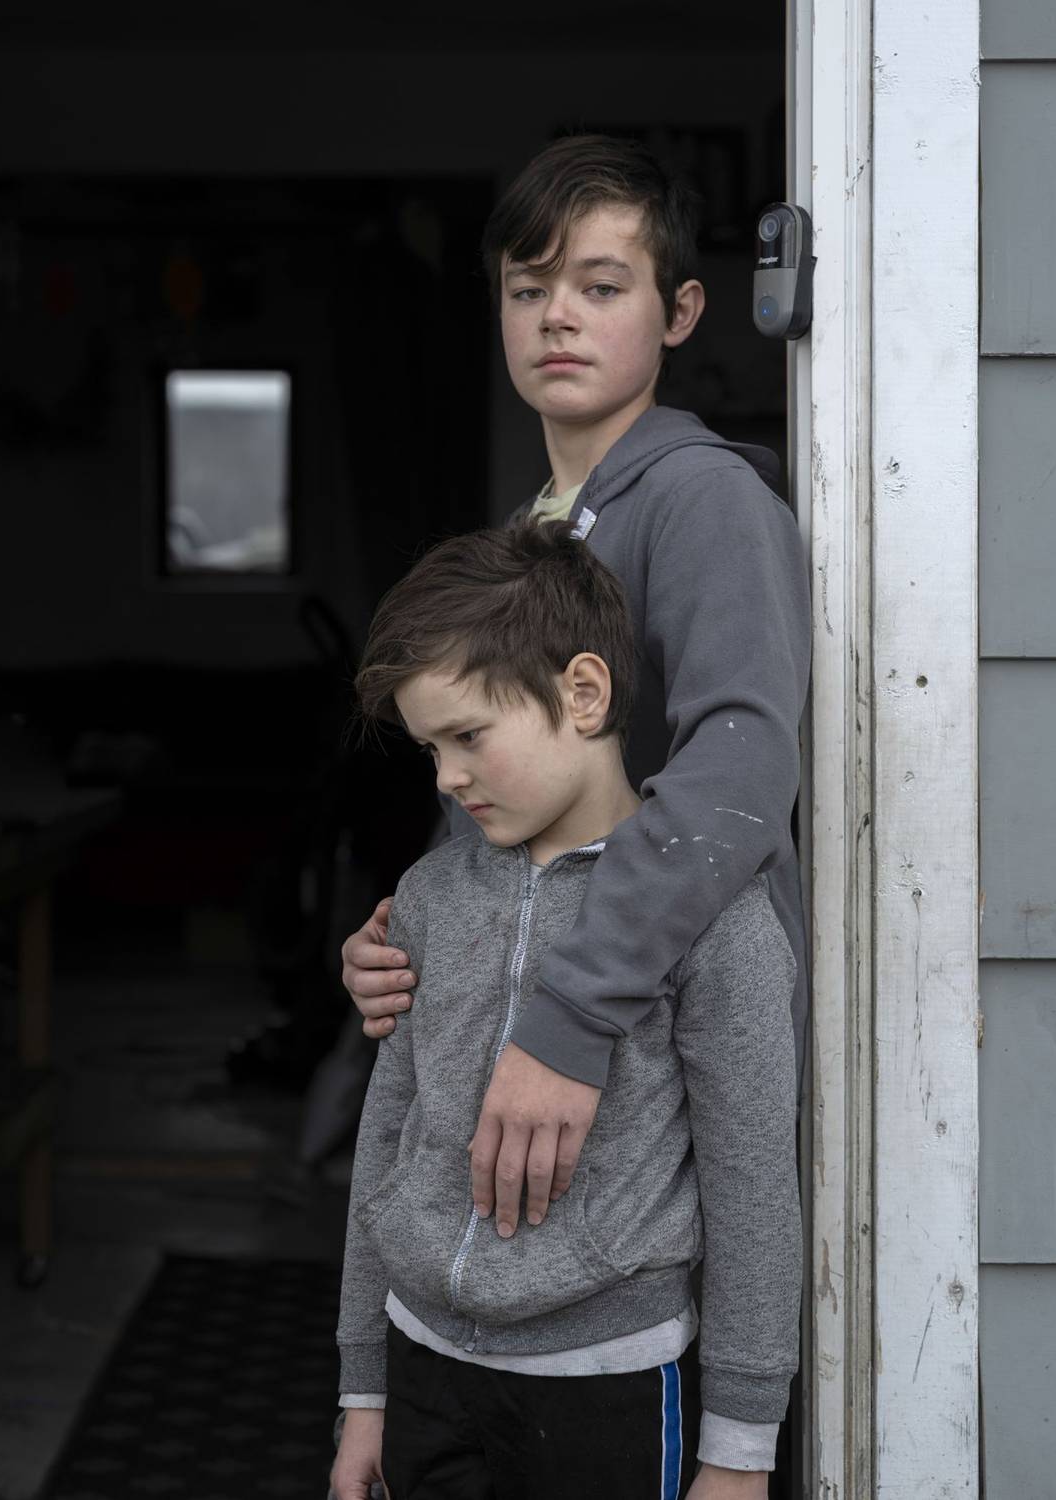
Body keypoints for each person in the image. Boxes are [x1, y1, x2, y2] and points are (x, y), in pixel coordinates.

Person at [341, 133, 810, 1243]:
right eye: (529, 288)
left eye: (601, 287)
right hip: (536, 1021)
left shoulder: (705, 501)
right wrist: (415, 934)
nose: (558, 316)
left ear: (680, 312)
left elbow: (740, 769)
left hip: (648, 1033)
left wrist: (570, 1016)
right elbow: (491, 793)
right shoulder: (530, 534)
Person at [331, 522, 801, 1500]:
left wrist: (740, 1452)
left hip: (608, 1383)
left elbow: (753, 1187)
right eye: (429, 748)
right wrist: (363, 1388)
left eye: (469, 737)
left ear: (583, 694)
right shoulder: (428, 896)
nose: (446, 778)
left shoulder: (713, 918)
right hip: (421, 1366)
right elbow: (386, 1141)